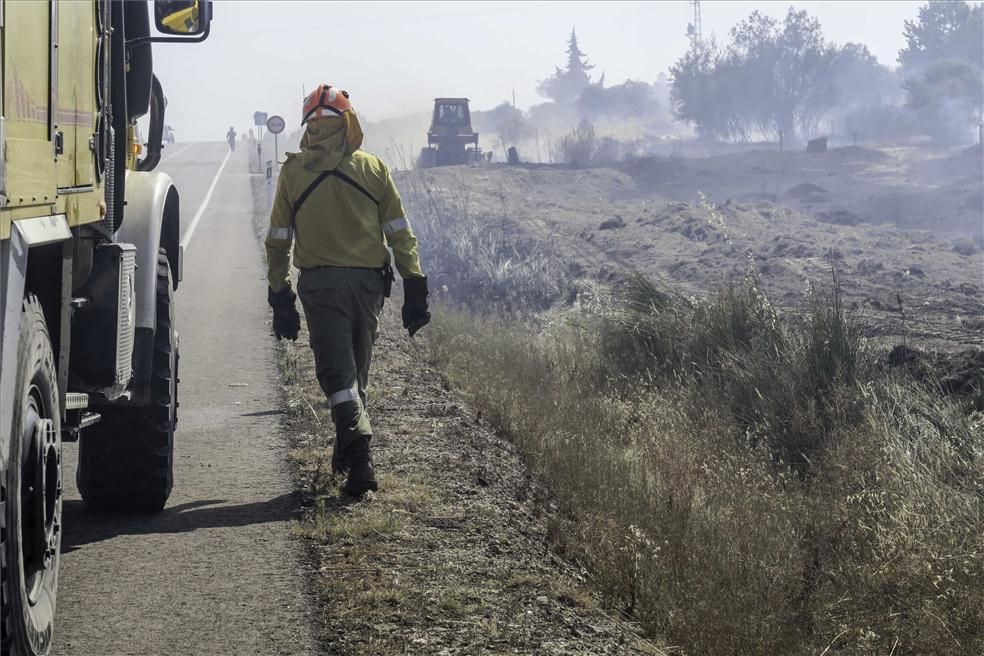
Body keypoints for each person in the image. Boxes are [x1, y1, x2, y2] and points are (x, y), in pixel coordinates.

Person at [265, 83, 429, 497]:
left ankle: (359, 461)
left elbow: (278, 240)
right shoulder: (373, 168)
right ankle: (350, 455)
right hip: (370, 287)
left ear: (308, 127)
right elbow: (401, 234)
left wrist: (281, 295)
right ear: (350, 122)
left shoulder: (293, 171)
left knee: (341, 376)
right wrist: (414, 284)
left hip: (321, 287)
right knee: (353, 372)